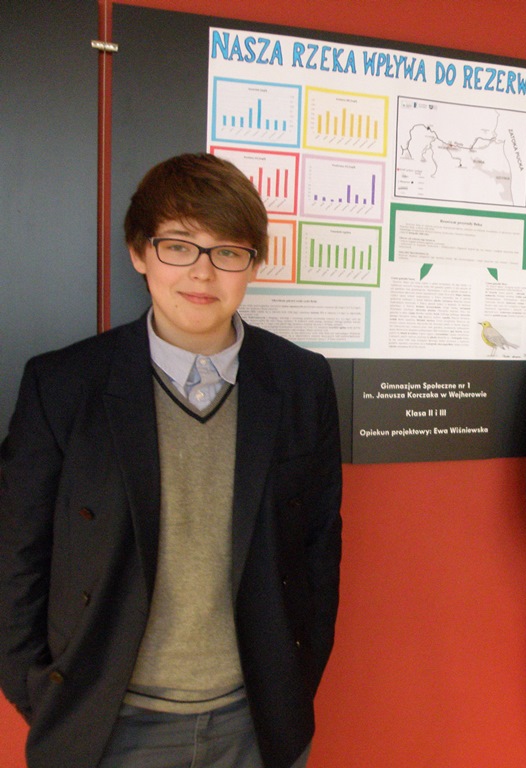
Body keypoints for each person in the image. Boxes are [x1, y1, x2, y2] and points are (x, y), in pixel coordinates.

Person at [0, 153, 343, 768]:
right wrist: (44, 695)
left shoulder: (300, 381)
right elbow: (15, 554)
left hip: (257, 722)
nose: (202, 272)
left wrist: (294, 680)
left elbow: (319, 546)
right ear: (139, 252)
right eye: (179, 246)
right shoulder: (63, 385)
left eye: (227, 251)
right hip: (107, 726)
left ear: (253, 265)